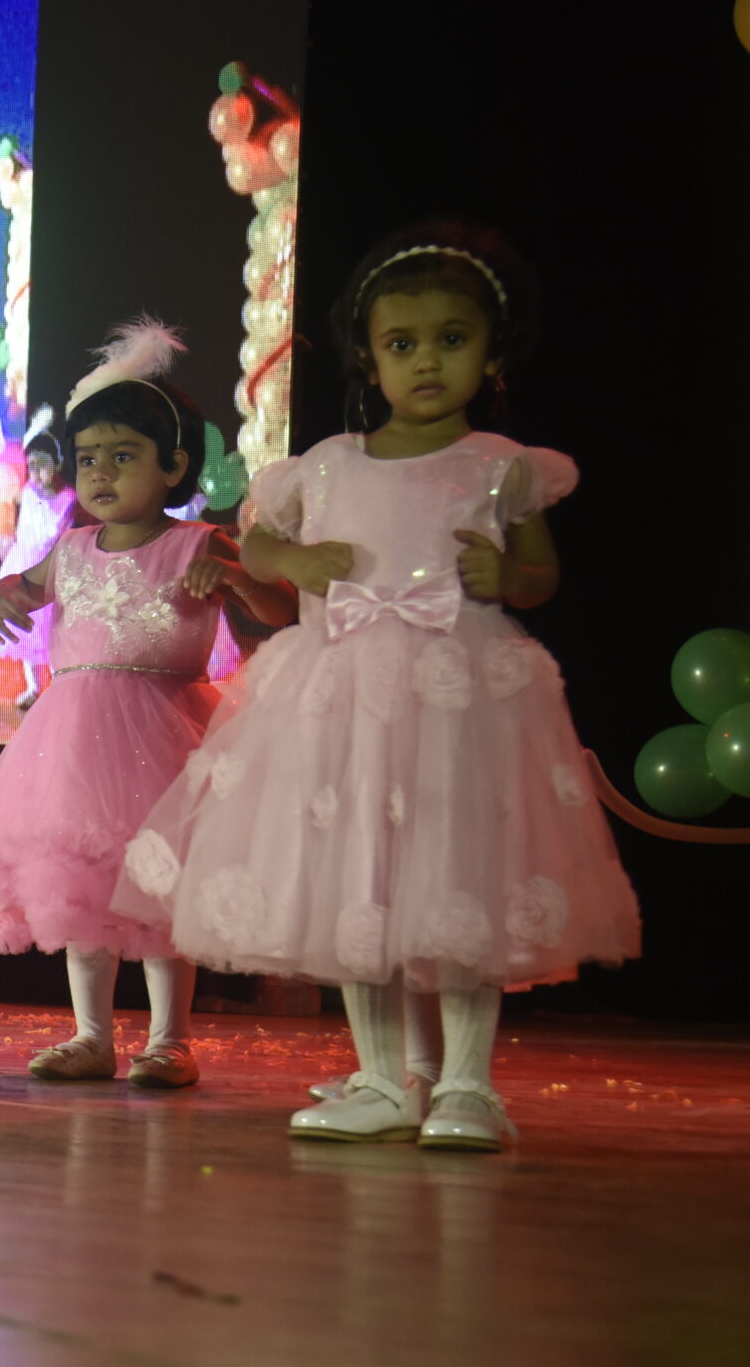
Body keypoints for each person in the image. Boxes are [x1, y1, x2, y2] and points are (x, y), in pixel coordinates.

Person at [114, 225, 641, 1150]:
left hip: (455, 692)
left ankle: (467, 1084)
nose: (427, 360)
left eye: (452, 339)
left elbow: (540, 573)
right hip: (342, 697)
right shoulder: (327, 464)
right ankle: (384, 1077)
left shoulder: (499, 466)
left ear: (492, 351)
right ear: (369, 356)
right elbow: (260, 542)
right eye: (403, 343)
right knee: (354, 878)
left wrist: (508, 578)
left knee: (459, 875)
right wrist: (293, 559)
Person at [0, 325, 294, 1087]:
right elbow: (23, 586)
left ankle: (169, 1039)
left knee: (162, 886)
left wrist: (235, 578)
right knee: (80, 884)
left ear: (173, 465)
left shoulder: (198, 543)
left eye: (123, 456)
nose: (100, 472)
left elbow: (282, 606)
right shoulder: (71, 547)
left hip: (163, 730)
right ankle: (91, 1035)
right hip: (73, 739)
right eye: (88, 457)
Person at [0, 417, 76, 708]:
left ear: (57, 464)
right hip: (24, 566)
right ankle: (33, 687)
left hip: (51, 570)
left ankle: (59, 687)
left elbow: (66, 537)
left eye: (43, 464)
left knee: (53, 633)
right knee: (26, 631)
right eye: (32, 466)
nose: (36, 472)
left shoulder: (68, 498)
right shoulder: (27, 493)